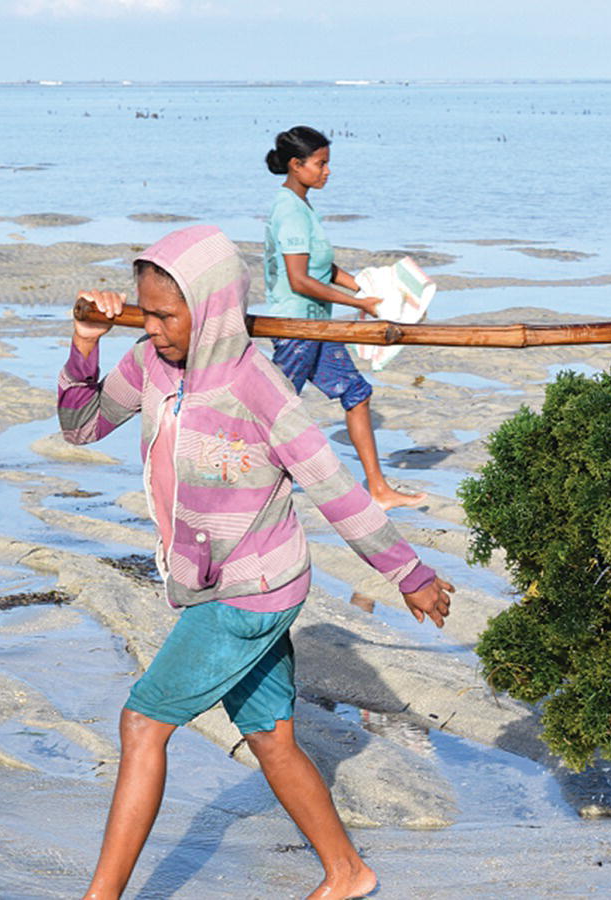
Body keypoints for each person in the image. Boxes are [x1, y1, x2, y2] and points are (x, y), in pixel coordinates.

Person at [60, 225, 454, 898]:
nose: (150, 327)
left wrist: (409, 574)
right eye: (144, 312)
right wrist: (85, 343)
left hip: (253, 590)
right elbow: (80, 426)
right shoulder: (150, 364)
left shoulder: (260, 390)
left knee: (142, 722)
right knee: (271, 736)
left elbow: (337, 490)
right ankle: (348, 872)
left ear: (210, 307)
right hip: (210, 583)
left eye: (164, 315)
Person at [263, 125, 426, 511]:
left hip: (319, 327)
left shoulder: (303, 206)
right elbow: (299, 280)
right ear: (296, 164)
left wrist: (362, 289)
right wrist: (364, 307)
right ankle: (245, 487)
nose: (327, 172)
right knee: (274, 411)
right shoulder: (288, 211)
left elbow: (320, 265)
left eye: (327, 164)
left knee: (357, 395)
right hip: (297, 329)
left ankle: (379, 489)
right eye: (321, 164)